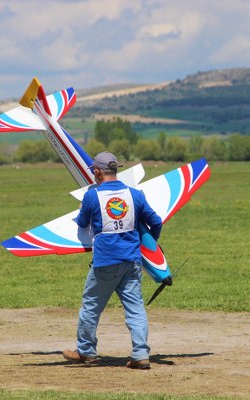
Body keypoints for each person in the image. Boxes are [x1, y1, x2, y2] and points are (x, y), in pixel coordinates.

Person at [62, 151, 162, 369]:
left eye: (94, 172)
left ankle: (87, 352)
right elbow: (156, 222)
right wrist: (148, 244)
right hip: (132, 262)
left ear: (97, 172)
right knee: (135, 309)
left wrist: (81, 211)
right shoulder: (135, 195)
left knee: (91, 307)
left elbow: (81, 223)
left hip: (105, 263)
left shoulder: (91, 196)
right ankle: (141, 354)